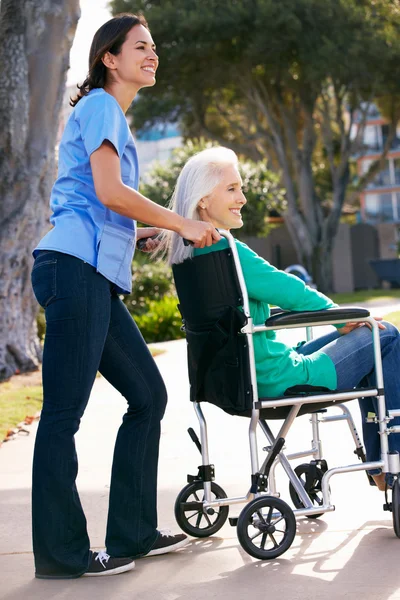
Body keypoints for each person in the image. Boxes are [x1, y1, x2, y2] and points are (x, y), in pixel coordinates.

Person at [31, 14, 220, 579]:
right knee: (63, 415)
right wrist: (183, 224)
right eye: (141, 46)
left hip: (88, 274)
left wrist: (137, 231)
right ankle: (61, 554)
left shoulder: (105, 114)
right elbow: (113, 192)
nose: (153, 54)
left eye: (155, 47)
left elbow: (98, 199)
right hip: (73, 270)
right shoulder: (101, 106)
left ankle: (132, 533)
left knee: (148, 395)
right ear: (109, 58)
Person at [163, 146, 400, 493]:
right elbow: (291, 290)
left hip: (236, 381)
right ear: (202, 201)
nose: (242, 198)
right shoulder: (229, 252)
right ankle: (392, 459)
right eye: (231, 189)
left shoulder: (189, 258)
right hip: (277, 380)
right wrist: (342, 318)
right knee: (386, 335)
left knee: (373, 340)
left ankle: (382, 465)